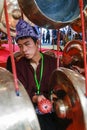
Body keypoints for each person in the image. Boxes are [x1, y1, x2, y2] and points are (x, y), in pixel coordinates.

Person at [6, 19, 72, 130]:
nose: (24, 50)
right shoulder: (19, 65)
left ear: (37, 43)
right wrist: (35, 98)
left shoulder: (52, 62)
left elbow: (63, 85)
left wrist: (68, 66)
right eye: (20, 46)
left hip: (53, 109)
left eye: (27, 44)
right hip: (30, 111)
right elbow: (19, 92)